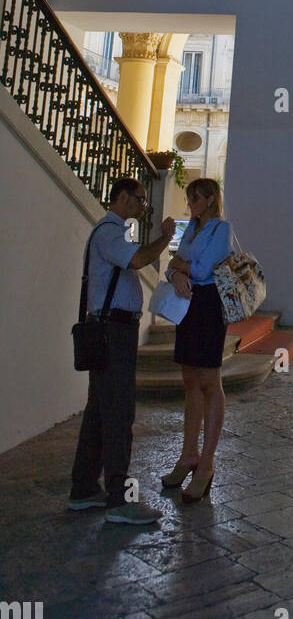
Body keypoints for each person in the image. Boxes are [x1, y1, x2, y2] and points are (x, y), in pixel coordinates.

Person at [69, 178, 176, 524]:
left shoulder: (113, 232)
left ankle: (84, 489)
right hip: (113, 332)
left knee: (100, 411)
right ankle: (120, 499)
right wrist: (165, 237)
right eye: (141, 201)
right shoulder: (110, 233)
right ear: (124, 198)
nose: (143, 206)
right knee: (118, 413)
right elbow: (139, 260)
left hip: (111, 330)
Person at [160, 178, 232, 502]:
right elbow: (174, 265)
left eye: (195, 198)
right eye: (189, 198)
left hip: (208, 306)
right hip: (186, 304)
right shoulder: (190, 229)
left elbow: (204, 271)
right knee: (189, 379)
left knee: (209, 380)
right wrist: (175, 271)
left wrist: (178, 266)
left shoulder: (220, 229)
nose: (190, 203)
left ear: (210, 200)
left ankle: (206, 464)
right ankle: (188, 453)